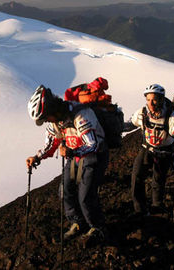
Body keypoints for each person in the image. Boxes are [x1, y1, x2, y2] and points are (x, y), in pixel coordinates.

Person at [26, 85, 108, 241]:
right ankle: (78, 223)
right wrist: (36, 158)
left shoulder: (80, 115)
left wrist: (72, 152)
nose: (45, 122)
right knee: (65, 192)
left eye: (45, 118)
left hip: (94, 157)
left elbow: (93, 144)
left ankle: (98, 228)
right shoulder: (55, 121)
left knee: (85, 196)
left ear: (51, 110)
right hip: (74, 156)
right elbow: (51, 144)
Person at [130, 84, 174, 216]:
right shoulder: (142, 113)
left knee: (158, 180)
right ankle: (139, 209)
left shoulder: (171, 116)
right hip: (147, 149)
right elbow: (134, 121)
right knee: (136, 177)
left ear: (161, 99)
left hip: (164, 152)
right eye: (148, 99)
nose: (151, 103)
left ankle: (157, 206)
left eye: (154, 99)